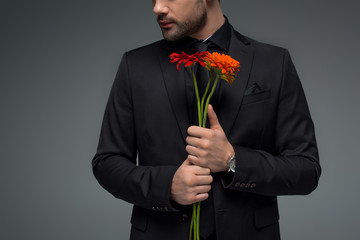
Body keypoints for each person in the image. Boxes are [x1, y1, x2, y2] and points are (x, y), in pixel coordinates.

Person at [92, 0, 321, 239]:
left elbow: (307, 170)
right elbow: (107, 162)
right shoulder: (135, 66)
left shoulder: (274, 62)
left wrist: (232, 160)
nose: (157, 8)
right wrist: (166, 186)